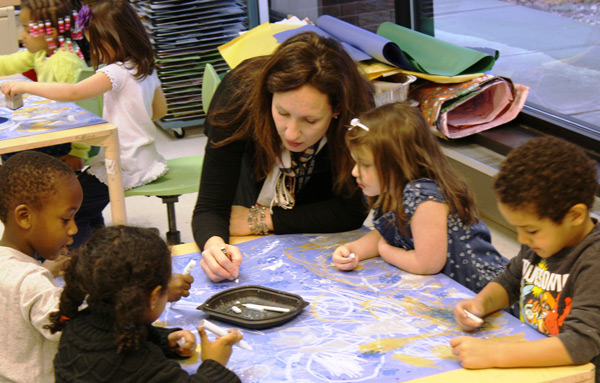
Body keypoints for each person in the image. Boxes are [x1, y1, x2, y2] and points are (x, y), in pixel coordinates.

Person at [193, 31, 375, 282]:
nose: (292, 133)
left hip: (316, 204)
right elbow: (211, 207)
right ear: (269, 96)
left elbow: (352, 210)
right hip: (254, 172)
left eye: (310, 120)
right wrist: (214, 247)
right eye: (282, 112)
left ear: (337, 110)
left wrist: (262, 220)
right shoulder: (237, 98)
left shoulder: (358, 112)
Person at [1, 0, 168, 248]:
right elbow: (158, 111)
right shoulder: (145, 68)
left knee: (72, 209)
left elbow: (73, 92)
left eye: (95, 42)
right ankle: (97, 245)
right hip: (145, 158)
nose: (92, 48)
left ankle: (81, 258)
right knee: (83, 198)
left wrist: (25, 85)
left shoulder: (116, 72)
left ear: (112, 39)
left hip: (124, 164)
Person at [451, 136, 600, 377]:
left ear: (575, 216)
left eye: (530, 230)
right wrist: (480, 304)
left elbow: (581, 344)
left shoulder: (594, 261)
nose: (522, 239)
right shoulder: (542, 244)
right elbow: (510, 282)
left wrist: (494, 354)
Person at [332, 102, 508, 293]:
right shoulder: (392, 192)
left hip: (488, 289)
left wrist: (385, 251)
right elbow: (387, 234)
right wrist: (353, 250)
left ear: (399, 164)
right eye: (356, 162)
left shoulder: (424, 197)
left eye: (365, 165)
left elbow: (427, 263)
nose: (355, 172)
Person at [46, 225, 243, 382]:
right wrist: (214, 364)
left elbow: (126, 332)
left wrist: (164, 340)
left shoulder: (77, 326)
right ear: (154, 296)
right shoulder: (138, 361)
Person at [0, 151, 83, 383]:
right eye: (66, 219)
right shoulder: (32, 281)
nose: (74, 229)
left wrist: (48, 268)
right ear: (25, 216)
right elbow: (78, 327)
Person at [0, 0, 89, 170]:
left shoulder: (65, 62)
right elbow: (9, 63)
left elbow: (83, 109)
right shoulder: (41, 53)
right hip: (55, 127)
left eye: (27, 29)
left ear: (51, 33)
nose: (22, 34)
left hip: (69, 138)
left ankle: (27, 191)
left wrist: (80, 152)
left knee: (12, 148)